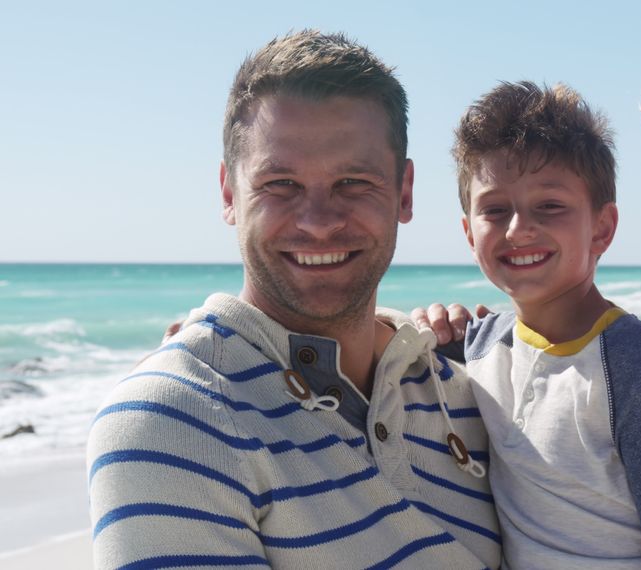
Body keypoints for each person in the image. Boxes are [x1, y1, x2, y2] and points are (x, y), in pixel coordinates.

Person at [86, 31, 500, 569]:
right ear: (229, 193)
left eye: (353, 182)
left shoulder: (461, 391)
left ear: (404, 191)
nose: (319, 222)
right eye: (281, 184)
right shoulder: (173, 421)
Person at [430, 80, 641, 569]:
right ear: (467, 232)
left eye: (550, 206)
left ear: (602, 228)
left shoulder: (639, 375)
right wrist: (428, 327)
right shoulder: (480, 348)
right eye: (495, 210)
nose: (519, 229)